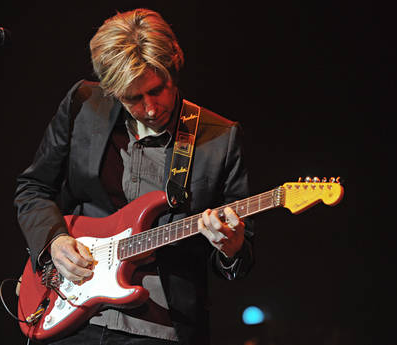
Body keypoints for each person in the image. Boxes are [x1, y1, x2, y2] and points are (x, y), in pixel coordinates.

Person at [14, 8, 254, 345]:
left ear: (174, 68)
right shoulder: (84, 104)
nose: (152, 108)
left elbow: (238, 259)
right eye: (133, 98)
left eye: (158, 89)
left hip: (160, 326)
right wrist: (54, 242)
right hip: (69, 313)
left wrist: (231, 247)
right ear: (112, 91)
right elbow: (34, 188)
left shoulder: (219, 139)